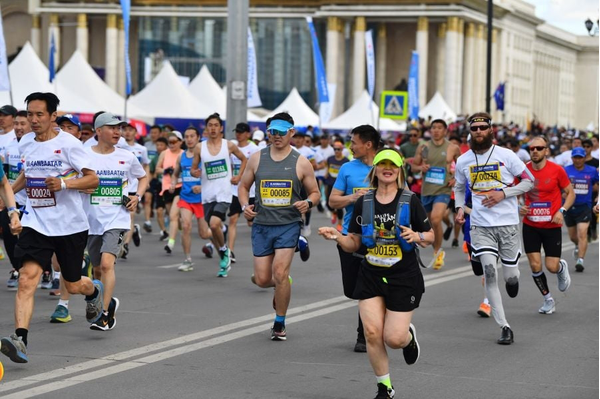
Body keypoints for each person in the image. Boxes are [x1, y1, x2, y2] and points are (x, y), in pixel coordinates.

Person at [319, 148, 433, 399]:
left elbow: (431, 236)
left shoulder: (410, 200)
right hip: (371, 273)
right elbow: (354, 243)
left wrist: (418, 236)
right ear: (376, 170)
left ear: (399, 170)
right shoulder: (364, 202)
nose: (387, 168)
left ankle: (407, 336)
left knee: (393, 338)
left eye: (392, 164)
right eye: (382, 164)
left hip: (403, 276)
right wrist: (338, 237)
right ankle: (385, 387)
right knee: (371, 332)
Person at [1, 92, 102, 364]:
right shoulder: (26, 143)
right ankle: (20, 339)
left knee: (72, 282)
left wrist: (65, 184)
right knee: (27, 278)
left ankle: (93, 290)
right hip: (36, 222)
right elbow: (27, 173)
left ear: (52, 116)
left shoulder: (70, 144)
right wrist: (7, 194)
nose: (33, 120)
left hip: (69, 226)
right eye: (29, 114)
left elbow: (93, 181)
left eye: (39, 115)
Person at [454, 112, 535, 345]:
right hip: (481, 226)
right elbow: (459, 188)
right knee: (490, 273)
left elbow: (529, 181)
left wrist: (503, 194)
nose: (478, 131)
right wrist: (460, 207)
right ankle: (504, 326)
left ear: (491, 130)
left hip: (507, 225)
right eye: (474, 128)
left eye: (482, 127)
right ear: (470, 132)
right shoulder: (464, 161)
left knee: (510, 276)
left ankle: (513, 280)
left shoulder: (506, 155)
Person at [238, 112, 320, 340]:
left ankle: (279, 323)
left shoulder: (301, 162)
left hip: (288, 225)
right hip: (262, 225)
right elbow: (243, 187)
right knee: (263, 280)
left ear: (291, 133)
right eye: (272, 132)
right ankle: (283, 283)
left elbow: (315, 193)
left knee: (280, 273)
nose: (276, 136)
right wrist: (245, 205)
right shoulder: (256, 158)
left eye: (281, 132)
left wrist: (308, 202)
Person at [83, 112, 148, 330]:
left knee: (106, 264)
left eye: (119, 128)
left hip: (116, 219)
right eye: (112, 128)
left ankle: (104, 316)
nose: (117, 132)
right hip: (90, 221)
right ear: (98, 131)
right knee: (97, 269)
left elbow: (143, 177)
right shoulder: (83, 154)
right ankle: (108, 303)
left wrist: (136, 196)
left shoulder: (127, 156)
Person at [328, 124, 381, 353]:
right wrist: (353, 197)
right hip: (352, 232)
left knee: (369, 287)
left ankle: (364, 334)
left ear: (367, 144)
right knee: (353, 289)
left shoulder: (387, 167)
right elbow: (332, 201)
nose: (351, 146)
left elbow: (404, 197)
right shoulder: (347, 169)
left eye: (354, 142)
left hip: (380, 236)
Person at [520, 136, 575, 314]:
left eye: (539, 148)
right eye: (532, 148)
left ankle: (560, 268)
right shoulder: (523, 170)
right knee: (535, 265)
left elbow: (570, 193)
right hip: (530, 225)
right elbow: (512, 191)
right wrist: (519, 206)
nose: (534, 151)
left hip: (551, 225)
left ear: (546, 151)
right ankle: (548, 299)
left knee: (551, 266)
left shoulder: (557, 170)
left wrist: (562, 211)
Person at [191, 113, 247, 277]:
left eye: (216, 125)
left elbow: (244, 160)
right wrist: (195, 173)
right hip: (207, 194)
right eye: (210, 125)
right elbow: (194, 169)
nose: (213, 128)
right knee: (213, 228)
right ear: (206, 129)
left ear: (221, 128)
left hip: (224, 192)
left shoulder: (228, 145)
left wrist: (238, 176)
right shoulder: (200, 147)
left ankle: (224, 251)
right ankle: (224, 258)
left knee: (214, 224)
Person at [412, 119, 461, 269]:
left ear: (445, 130)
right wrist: (421, 167)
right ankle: (437, 247)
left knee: (436, 218)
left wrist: (455, 178)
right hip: (427, 190)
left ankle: (437, 251)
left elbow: (462, 167)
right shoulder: (423, 146)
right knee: (430, 224)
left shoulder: (453, 147)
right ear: (430, 130)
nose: (436, 130)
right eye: (434, 127)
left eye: (440, 128)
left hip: (443, 190)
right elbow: (413, 167)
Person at [170, 127, 213, 271]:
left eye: (192, 136)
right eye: (186, 136)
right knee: (186, 226)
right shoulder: (181, 157)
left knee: (204, 234)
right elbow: (176, 174)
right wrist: (173, 183)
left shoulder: (205, 156)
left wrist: (202, 187)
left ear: (198, 137)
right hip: (186, 197)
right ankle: (187, 259)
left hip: (201, 199)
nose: (189, 139)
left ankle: (218, 234)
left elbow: (213, 177)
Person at [227, 122, 260, 263]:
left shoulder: (254, 149)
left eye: (241, 132)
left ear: (248, 134)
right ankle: (230, 251)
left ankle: (260, 251)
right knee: (232, 219)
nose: (238, 134)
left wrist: (241, 177)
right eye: (237, 132)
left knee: (252, 223)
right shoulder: (232, 146)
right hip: (235, 190)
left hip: (251, 191)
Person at [563, 147, 599, 272]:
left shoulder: (592, 170)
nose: (578, 160)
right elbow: (559, 186)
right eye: (575, 157)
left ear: (584, 158)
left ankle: (580, 260)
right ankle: (577, 245)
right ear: (572, 158)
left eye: (580, 157)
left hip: (584, 207)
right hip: (569, 207)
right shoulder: (565, 170)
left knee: (582, 233)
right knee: (573, 236)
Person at [4, 111, 29, 290]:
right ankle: (17, 268)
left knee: (30, 239)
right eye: (16, 124)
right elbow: (4, 178)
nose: (19, 128)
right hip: (13, 199)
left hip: (34, 202)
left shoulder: (36, 146)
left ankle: (46, 270)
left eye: (23, 124)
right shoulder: (9, 147)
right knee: (9, 235)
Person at [157, 131, 184, 254]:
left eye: (174, 142)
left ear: (180, 142)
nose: (171, 144)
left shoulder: (184, 154)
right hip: (167, 187)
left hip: (180, 186)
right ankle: (182, 230)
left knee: (173, 215)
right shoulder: (164, 153)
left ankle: (170, 243)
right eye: (169, 142)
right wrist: (165, 170)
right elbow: (157, 169)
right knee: (173, 215)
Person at [324, 139, 349, 232]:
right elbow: (328, 167)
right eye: (335, 149)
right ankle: (333, 212)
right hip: (330, 182)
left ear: (342, 150)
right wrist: (326, 174)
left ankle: (339, 223)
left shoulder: (346, 161)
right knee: (328, 203)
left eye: (338, 149)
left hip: (340, 186)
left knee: (339, 206)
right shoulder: (330, 159)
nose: (336, 151)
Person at [143, 124, 162, 233]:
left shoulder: (163, 145)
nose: (153, 135)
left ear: (160, 133)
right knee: (147, 198)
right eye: (152, 133)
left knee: (160, 204)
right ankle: (147, 221)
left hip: (159, 176)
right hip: (149, 174)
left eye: (156, 133)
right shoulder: (146, 145)